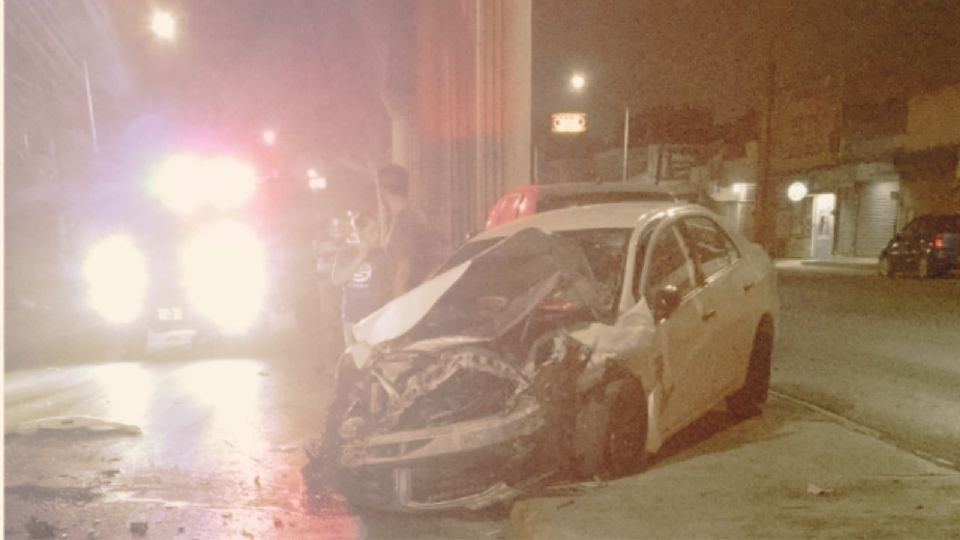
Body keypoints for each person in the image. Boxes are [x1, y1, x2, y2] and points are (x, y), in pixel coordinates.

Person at [376, 164, 441, 299]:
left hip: (404, 301)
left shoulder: (405, 221)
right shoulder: (414, 216)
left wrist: (395, 309)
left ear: (383, 189)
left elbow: (403, 271)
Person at [331, 212, 387, 347]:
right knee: (357, 360)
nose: (377, 235)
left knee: (374, 360)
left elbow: (385, 284)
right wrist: (361, 256)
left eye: (378, 230)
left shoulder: (380, 253)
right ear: (359, 232)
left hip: (374, 316)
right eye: (372, 231)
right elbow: (336, 280)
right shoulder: (345, 251)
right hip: (352, 317)